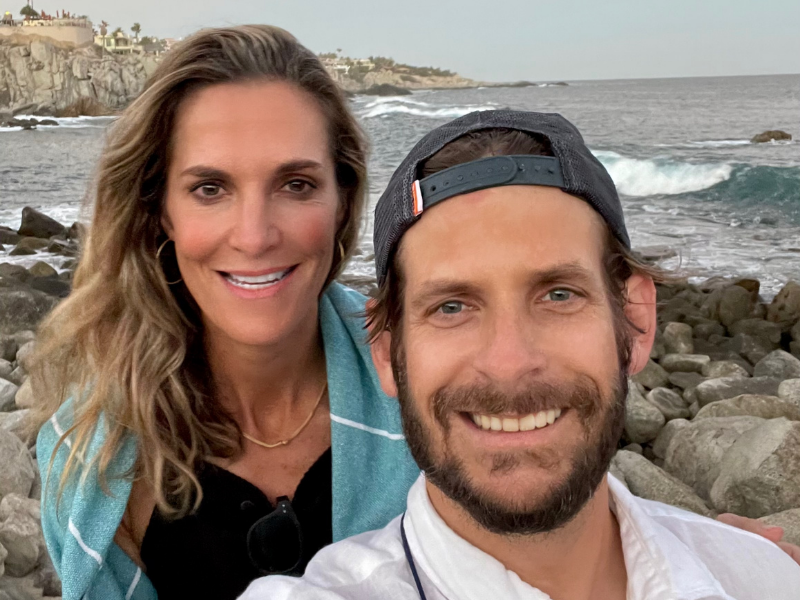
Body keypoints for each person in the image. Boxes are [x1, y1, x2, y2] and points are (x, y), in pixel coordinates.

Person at [240, 110, 800, 600]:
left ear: (634, 318)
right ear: (386, 351)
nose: (509, 363)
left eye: (558, 295)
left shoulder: (761, 579)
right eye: (452, 306)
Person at [32, 25, 419, 600]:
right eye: (210, 189)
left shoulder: (427, 394)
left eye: (295, 183)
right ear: (161, 211)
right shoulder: (94, 458)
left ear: (342, 202)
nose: (255, 236)